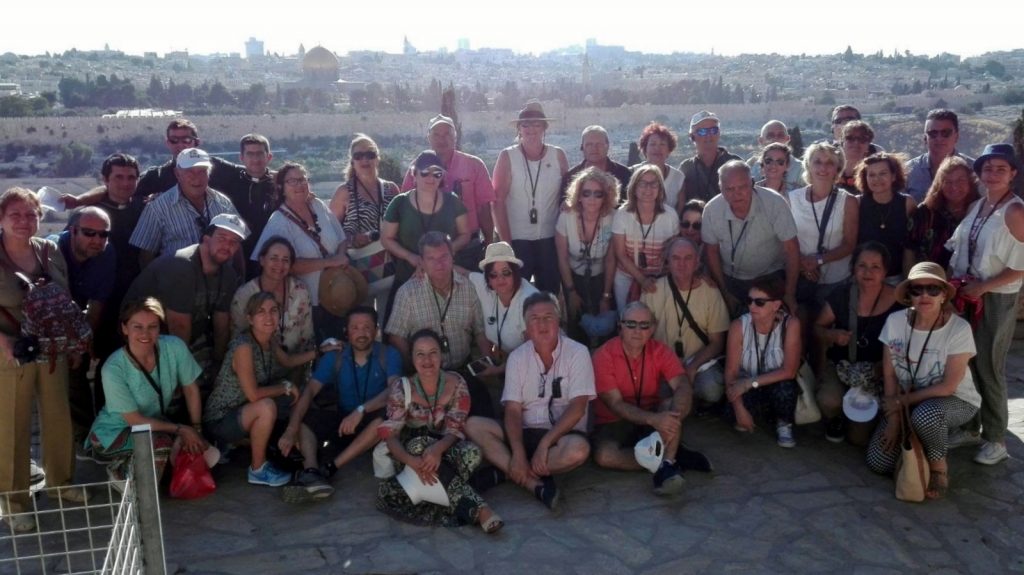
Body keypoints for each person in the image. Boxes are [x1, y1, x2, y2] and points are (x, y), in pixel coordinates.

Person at [0, 187, 84, 534]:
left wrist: (75, 341)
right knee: (12, 426)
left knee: (58, 415)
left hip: (52, 347)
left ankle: (60, 482)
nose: (24, 221)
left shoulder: (49, 250)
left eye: (30, 214)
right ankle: (13, 501)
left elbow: (64, 297)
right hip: (9, 349)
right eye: (15, 214)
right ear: (2, 218)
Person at [465, 293, 594, 510]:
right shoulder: (517, 357)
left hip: (561, 435)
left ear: (558, 321)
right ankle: (532, 482)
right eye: (534, 318)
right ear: (526, 326)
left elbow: (578, 407)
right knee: (473, 425)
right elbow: (513, 411)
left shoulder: (578, 352)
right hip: (526, 432)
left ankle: (506, 472)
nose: (542, 324)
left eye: (548, 317)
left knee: (578, 451)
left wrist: (545, 443)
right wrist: (517, 451)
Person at [866, 262, 980, 499]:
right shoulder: (895, 322)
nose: (924, 295)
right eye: (917, 290)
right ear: (909, 296)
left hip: (954, 400)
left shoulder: (959, 329)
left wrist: (901, 402)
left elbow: (948, 386)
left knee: (926, 416)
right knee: (878, 463)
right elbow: (889, 374)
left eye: (933, 289)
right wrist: (895, 418)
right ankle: (918, 449)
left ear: (944, 295)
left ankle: (939, 466)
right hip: (907, 400)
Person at [376, 329, 503, 533]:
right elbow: (390, 435)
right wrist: (412, 461)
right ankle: (479, 509)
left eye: (433, 352)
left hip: (443, 449)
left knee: (472, 453)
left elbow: (456, 427)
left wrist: (437, 449)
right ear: (412, 358)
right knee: (420, 445)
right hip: (410, 454)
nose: (427, 360)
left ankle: (438, 489)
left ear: (441, 355)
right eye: (420, 354)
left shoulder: (456, 382)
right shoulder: (402, 387)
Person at [945, 144, 1024, 466]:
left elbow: (1020, 265)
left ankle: (996, 438)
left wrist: (983, 287)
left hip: (996, 297)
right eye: (988, 168)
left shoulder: (1014, 211)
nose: (992, 174)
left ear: (1013, 174)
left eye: (1000, 169)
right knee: (967, 363)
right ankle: (970, 426)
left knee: (989, 366)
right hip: (971, 293)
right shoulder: (979, 205)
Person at [204, 292, 326, 489]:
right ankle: (257, 468)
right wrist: (285, 387)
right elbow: (253, 394)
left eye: (273, 311)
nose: (268, 317)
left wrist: (319, 352)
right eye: (261, 312)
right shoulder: (243, 346)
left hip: (243, 409)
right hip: (222, 417)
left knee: (298, 399)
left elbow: (287, 361)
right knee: (267, 406)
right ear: (250, 318)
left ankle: (290, 441)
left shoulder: (269, 340)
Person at [278, 306, 402, 499]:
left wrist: (361, 410)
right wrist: (291, 429)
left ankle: (330, 468)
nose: (361, 333)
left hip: (371, 421)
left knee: (385, 417)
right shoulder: (335, 356)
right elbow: (310, 390)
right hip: (344, 422)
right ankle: (311, 471)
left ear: (376, 330)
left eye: (367, 327)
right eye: (355, 328)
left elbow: (395, 391)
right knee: (305, 417)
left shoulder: (389, 354)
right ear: (346, 331)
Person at [85, 298, 207, 487]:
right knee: (162, 443)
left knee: (206, 452)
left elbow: (191, 388)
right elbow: (134, 420)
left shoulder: (174, 346)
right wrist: (182, 429)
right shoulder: (113, 368)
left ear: (160, 328)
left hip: (155, 424)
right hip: (112, 433)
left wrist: (196, 429)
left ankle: (142, 466)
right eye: (137, 327)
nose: (145, 333)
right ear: (125, 328)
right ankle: (125, 478)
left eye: (152, 326)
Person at [125, 213, 248, 387]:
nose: (227, 245)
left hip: (187, 338)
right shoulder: (182, 265)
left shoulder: (227, 274)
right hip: (148, 338)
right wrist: (185, 378)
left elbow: (221, 323)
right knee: (183, 388)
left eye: (234, 242)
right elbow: (179, 327)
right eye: (222, 238)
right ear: (206, 239)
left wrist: (219, 365)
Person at [385, 232, 494, 416]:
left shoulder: (468, 287)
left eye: (444, 256)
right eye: (431, 258)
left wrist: (487, 362)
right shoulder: (407, 293)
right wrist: (415, 367)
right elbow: (396, 337)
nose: (439, 263)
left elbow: (480, 331)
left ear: (453, 256)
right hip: (426, 377)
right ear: (422, 261)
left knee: (483, 416)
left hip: (462, 371)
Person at [591, 302, 694, 495]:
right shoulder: (603, 355)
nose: (637, 330)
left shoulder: (660, 351)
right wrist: (655, 420)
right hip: (614, 421)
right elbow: (615, 404)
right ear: (620, 326)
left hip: (651, 415)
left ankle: (667, 463)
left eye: (644, 325)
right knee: (605, 457)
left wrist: (674, 418)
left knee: (671, 404)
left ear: (652, 329)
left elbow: (682, 384)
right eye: (631, 324)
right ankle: (668, 459)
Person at [813, 242, 902, 444]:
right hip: (841, 367)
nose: (868, 272)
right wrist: (832, 335)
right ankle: (836, 417)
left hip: (877, 375)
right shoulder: (842, 295)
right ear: (853, 268)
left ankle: (861, 417)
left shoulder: (899, 301)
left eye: (875, 267)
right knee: (829, 401)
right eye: (862, 265)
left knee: (858, 440)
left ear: (885, 271)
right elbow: (817, 328)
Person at [251, 162, 349, 343]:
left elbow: (341, 237)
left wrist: (340, 260)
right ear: (281, 188)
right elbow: (281, 266)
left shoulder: (318, 205)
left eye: (302, 179)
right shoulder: (278, 222)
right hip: (309, 303)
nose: (299, 185)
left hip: (339, 293)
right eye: (292, 181)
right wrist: (330, 263)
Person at [62, 119, 235, 208]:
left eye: (186, 140)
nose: (180, 145)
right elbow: (116, 189)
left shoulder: (219, 168)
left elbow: (252, 173)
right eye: (174, 140)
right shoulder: (157, 175)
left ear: (196, 142)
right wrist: (79, 201)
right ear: (167, 143)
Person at [702, 161, 800, 317]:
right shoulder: (711, 210)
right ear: (721, 189)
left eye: (742, 187)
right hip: (731, 278)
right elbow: (711, 252)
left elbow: (791, 248)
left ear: (752, 183)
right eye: (729, 189)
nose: (737, 194)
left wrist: (789, 293)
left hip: (770, 275)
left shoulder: (774, 202)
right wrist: (724, 292)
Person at [400, 115, 497, 270]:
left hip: (468, 249)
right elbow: (406, 207)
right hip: (428, 250)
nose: (441, 139)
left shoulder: (474, 165)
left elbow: (484, 208)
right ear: (428, 138)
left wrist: (490, 243)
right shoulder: (416, 168)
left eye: (447, 134)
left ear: (455, 137)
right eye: (436, 134)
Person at [492, 101, 569, 293]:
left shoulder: (558, 155)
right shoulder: (507, 156)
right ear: (519, 128)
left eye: (536, 124)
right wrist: (506, 245)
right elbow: (497, 201)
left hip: (550, 239)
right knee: (516, 295)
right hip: (517, 239)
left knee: (550, 295)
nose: (531, 129)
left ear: (544, 128)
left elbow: (567, 195)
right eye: (525, 124)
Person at [641, 238, 729, 404]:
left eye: (688, 258)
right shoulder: (653, 290)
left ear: (697, 262)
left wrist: (692, 367)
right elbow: (643, 336)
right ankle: (683, 400)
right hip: (663, 362)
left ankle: (681, 399)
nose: (682, 264)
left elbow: (717, 342)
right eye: (676, 258)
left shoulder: (710, 291)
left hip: (698, 362)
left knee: (712, 390)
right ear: (668, 261)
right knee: (651, 390)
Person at [56, 207, 116, 448]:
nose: (97, 240)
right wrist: (73, 344)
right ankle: (79, 437)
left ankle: (94, 434)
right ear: (73, 231)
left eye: (103, 234)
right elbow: (55, 305)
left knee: (85, 363)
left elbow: (98, 303)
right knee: (71, 372)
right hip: (47, 318)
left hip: (79, 314)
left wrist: (84, 342)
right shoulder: (51, 251)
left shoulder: (107, 253)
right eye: (90, 233)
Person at [724, 275, 802, 448]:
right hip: (748, 383)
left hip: (770, 384)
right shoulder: (738, 326)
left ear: (776, 305)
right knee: (731, 409)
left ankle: (783, 422)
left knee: (786, 387)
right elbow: (731, 372)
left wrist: (749, 383)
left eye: (759, 302)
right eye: (749, 301)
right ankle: (752, 416)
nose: (752, 306)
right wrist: (739, 409)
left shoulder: (791, 324)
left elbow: (789, 371)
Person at [129, 147, 240, 267]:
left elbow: (238, 246)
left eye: (202, 171)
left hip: (220, 281)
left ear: (209, 173)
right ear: (177, 174)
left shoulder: (224, 203)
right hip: (178, 282)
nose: (196, 177)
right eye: (190, 172)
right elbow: (145, 256)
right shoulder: (158, 208)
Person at [330, 134, 400, 317]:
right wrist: (353, 240)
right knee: (362, 324)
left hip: (390, 269)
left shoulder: (391, 189)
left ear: (377, 158)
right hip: (357, 274)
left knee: (389, 325)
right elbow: (331, 234)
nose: (364, 159)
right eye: (358, 155)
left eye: (369, 154)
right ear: (352, 161)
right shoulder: (343, 192)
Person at [382, 150, 470, 289]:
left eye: (437, 174)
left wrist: (440, 255)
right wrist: (412, 258)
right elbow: (386, 238)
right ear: (414, 174)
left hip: (446, 275)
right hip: (408, 277)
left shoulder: (453, 201)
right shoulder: (400, 203)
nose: (431, 178)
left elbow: (465, 234)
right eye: (425, 172)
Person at [789, 142, 859, 313]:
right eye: (817, 162)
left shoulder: (848, 201)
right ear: (808, 166)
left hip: (836, 282)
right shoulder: (792, 199)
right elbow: (784, 240)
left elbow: (849, 244)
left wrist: (817, 260)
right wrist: (803, 264)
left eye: (830, 163)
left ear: (838, 168)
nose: (823, 167)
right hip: (800, 277)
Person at [93, 154, 146, 360]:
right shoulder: (92, 214)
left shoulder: (146, 208)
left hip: (139, 296)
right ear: (105, 180)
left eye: (131, 177)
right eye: (118, 177)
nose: (126, 183)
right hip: (103, 301)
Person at [555, 167, 617, 343]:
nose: (592, 199)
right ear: (579, 195)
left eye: (598, 194)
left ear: (606, 197)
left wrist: (606, 295)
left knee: (605, 328)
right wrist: (571, 291)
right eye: (586, 193)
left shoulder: (613, 217)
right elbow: (562, 257)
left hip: (602, 277)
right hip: (573, 278)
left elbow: (611, 258)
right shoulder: (566, 216)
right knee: (576, 327)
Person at [230, 236, 314, 358]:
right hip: (257, 367)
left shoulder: (300, 290)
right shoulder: (245, 295)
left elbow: (307, 336)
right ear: (262, 260)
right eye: (274, 258)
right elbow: (237, 338)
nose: (279, 265)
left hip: (297, 364)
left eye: (285, 260)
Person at [611, 165, 680, 311]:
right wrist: (642, 280)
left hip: (659, 278)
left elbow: (673, 251)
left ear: (660, 188)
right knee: (628, 319)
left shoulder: (670, 216)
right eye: (642, 183)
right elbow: (621, 254)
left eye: (653, 183)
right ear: (634, 187)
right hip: (627, 277)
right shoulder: (622, 214)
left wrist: (657, 280)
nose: (648, 188)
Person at [209, 134, 278, 272]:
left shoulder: (280, 184)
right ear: (241, 158)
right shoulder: (231, 180)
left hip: (271, 254)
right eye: (250, 154)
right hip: (236, 252)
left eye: (259, 154)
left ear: (269, 157)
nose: (255, 159)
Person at [468, 242, 538, 368]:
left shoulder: (528, 300)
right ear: (487, 279)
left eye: (506, 273)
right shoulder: (486, 288)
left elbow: (533, 353)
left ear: (515, 273)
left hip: (531, 365)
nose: (500, 279)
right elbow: (460, 272)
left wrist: (498, 370)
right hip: (506, 361)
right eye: (493, 275)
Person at [905, 156, 980, 270]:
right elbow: (909, 249)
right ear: (939, 185)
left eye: (960, 180)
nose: (954, 187)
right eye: (948, 181)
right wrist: (910, 282)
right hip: (929, 283)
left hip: (970, 284)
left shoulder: (980, 212)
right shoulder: (925, 213)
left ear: (970, 182)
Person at [854, 153, 915, 281]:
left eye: (883, 173)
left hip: (896, 277)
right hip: (863, 277)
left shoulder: (907, 203)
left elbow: (911, 245)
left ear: (893, 176)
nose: (877, 179)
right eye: (871, 175)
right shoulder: (857, 203)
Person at [905, 109, 974, 203]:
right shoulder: (907, 171)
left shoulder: (974, 170)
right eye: (933, 133)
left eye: (946, 133)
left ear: (956, 137)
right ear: (925, 138)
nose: (939, 138)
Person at [679, 110, 741, 203]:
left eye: (713, 130)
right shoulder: (686, 168)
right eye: (702, 131)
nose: (708, 135)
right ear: (692, 136)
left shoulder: (735, 163)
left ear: (719, 133)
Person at [563, 125, 633, 195]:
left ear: (607, 146)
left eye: (599, 144)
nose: (594, 148)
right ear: (582, 147)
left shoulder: (625, 174)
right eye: (589, 145)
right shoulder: (570, 177)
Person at [631, 123, 685, 210]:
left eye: (662, 144)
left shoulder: (678, 178)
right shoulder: (632, 173)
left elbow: (680, 211)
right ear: (645, 149)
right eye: (652, 144)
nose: (657, 148)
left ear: (669, 150)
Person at [748, 121, 802, 189]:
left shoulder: (801, 169)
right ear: (761, 141)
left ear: (788, 139)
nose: (776, 139)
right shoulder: (751, 167)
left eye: (780, 135)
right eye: (770, 136)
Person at [837, 121, 875, 193]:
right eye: (850, 138)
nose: (856, 142)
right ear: (842, 142)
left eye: (862, 139)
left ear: (868, 144)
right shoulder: (831, 169)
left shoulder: (875, 172)